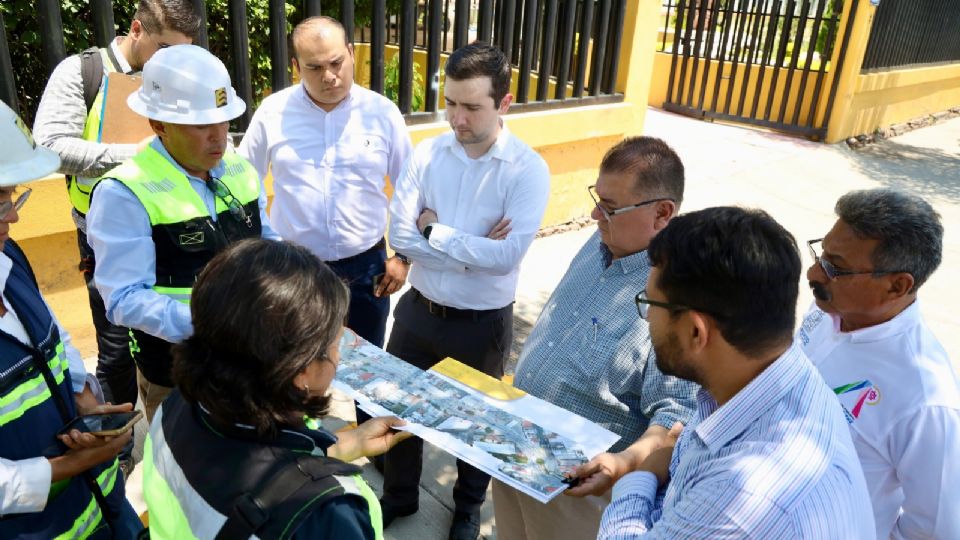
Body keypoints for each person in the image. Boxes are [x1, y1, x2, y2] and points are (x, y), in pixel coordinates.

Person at [595, 207, 875, 539]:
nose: (648, 320)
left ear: (696, 332)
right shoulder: (778, 374)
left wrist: (642, 475)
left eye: (650, 305)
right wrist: (666, 458)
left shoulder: (745, 493)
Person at [384, 41, 551, 540]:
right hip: (418, 311)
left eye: (472, 107)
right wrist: (470, 252)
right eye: (451, 103)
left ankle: (467, 510)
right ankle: (399, 495)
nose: (457, 118)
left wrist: (435, 232)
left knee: (477, 425)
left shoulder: (527, 169)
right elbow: (401, 235)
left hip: (481, 326)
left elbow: (506, 257)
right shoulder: (428, 152)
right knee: (398, 411)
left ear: (504, 103)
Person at [493, 136, 696, 540]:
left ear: (662, 213)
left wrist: (623, 464)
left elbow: (676, 416)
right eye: (597, 199)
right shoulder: (603, 238)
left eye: (610, 207)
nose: (594, 214)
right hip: (516, 448)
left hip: (578, 491)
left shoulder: (673, 296)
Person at [143, 238, 411, 539]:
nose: (340, 356)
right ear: (300, 370)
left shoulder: (179, 406)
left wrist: (352, 442)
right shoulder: (326, 517)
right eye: (338, 343)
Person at [86, 44, 279, 422]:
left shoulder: (239, 169)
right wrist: (218, 327)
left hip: (253, 361)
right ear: (159, 125)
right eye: (201, 125)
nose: (219, 137)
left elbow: (267, 242)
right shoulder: (124, 192)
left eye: (223, 121)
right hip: (178, 375)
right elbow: (124, 299)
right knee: (188, 459)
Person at [33, 0, 199, 412]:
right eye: (165, 49)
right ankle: (119, 439)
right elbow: (49, 147)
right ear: (136, 29)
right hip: (104, 235)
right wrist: (133, 155)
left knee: (177, 338)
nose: (173, 63)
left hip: (174, 229)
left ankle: (185, 428)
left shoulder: (175, 75)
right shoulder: (82, 72)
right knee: (116, 350)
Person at [0, 101, 142, 537]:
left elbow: (51, 333)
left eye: (11, 196)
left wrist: (83, 397)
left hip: (105, 512)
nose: (13, 215)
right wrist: (72, 464)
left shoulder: (8, 256)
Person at [238, 16, 413, 349]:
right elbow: (244, 181)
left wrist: (403, 256)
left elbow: (410, 188)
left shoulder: (382, 113)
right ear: (296, 67)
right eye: (315, 67)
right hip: (296, 269)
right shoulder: (273, 113)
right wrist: (262, 248)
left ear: (351, 53)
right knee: (298, 361)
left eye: (336, 62)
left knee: (368, 363)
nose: (330, 76)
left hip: (368, 269)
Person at [799, 189, 959, 539]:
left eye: (836, 268)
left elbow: (937, 530)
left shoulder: (926, 401)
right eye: (822, 255)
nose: (814, 273)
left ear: (897, 286)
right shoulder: (828, 310)